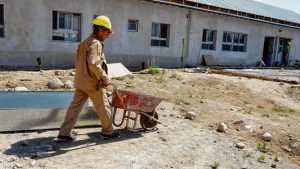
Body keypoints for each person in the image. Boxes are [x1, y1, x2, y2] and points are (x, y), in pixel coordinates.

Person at [57, 15, 119, 142]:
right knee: (104, 107)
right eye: (107, 33)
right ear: (100, 30)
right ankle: (107, 132)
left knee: (74, 108)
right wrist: (105, 78)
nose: (107, 36)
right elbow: (94, 63)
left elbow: (79, 62)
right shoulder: (96, 43)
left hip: (81, 82)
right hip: (92, 83)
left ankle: (64, 133)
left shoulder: (84, 42)